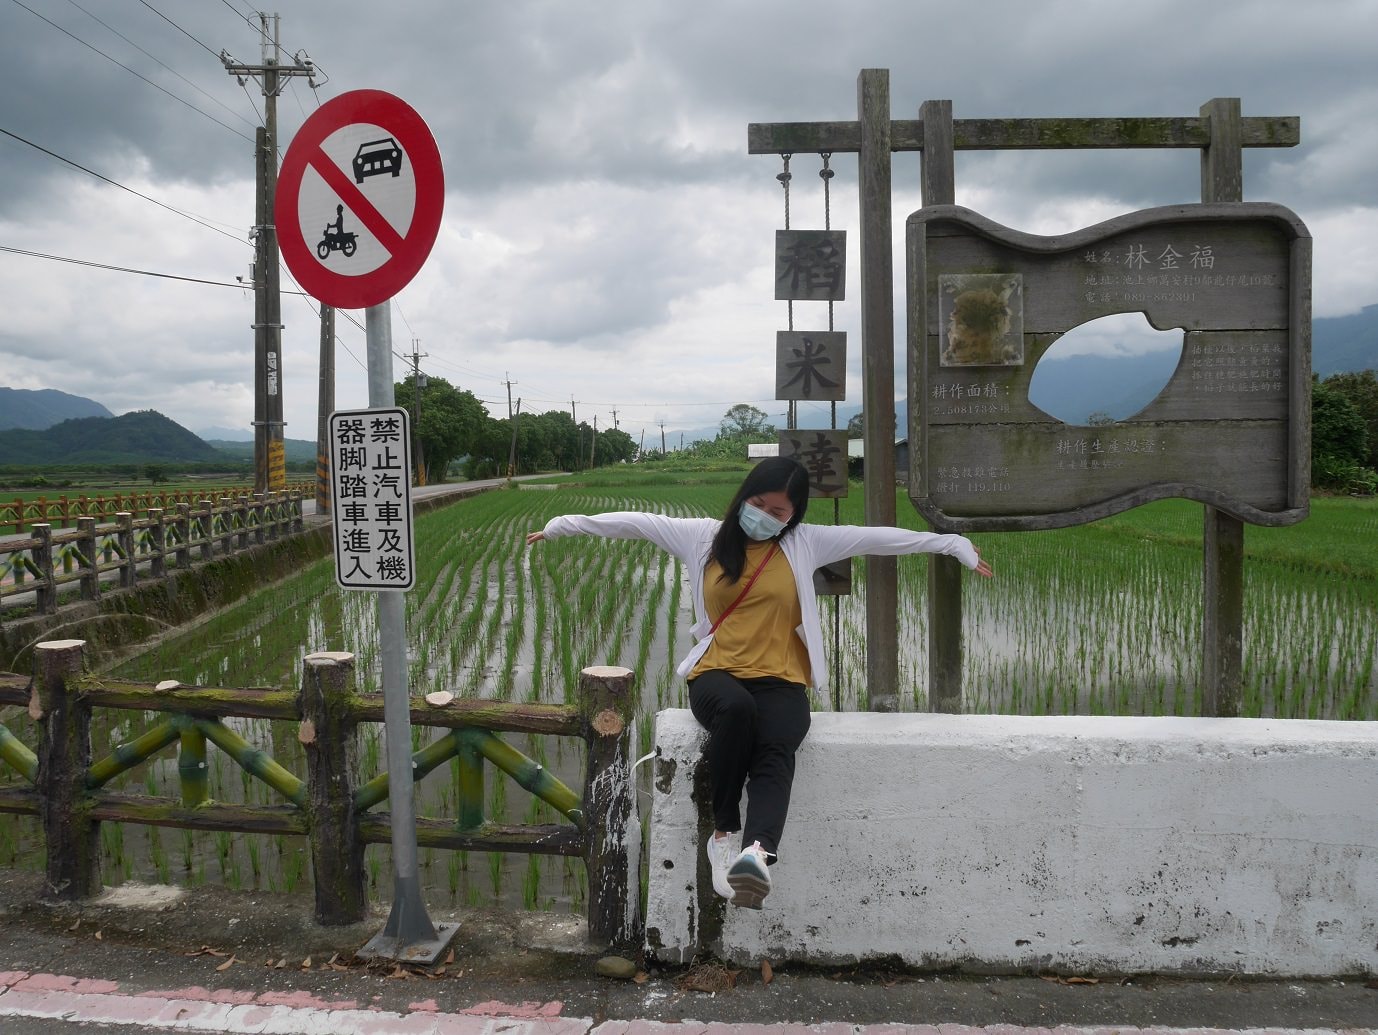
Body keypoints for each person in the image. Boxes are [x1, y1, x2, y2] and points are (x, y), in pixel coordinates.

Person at [524, 456, 993, 909]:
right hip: (716, 672)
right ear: (745, 496)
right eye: (760, 504)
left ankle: (757, 853)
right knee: (737, 710)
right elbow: (636, 522)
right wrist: (563, 525)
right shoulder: (702, 538)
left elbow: (878, 538)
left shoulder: (804, 543)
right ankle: (724, 834)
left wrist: (953, 545)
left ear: (793, 516)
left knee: (778, 742)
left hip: (782, 679)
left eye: (779, 512)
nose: (766, 516)